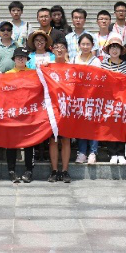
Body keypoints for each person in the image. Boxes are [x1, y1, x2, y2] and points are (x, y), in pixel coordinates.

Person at [6, 48, 35, 183]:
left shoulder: (33, 74)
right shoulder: (7, 74)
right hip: (12, 113)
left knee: (30, 142)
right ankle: (11, 170)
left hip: (28, 113)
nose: (21, 59)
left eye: (23, 57)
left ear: (27, 59)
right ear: (14, 59)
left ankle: (29, 170)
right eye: (18, 57)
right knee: (11, 142)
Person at [72, 33, 102, 165]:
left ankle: (93, 152)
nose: (85, 46)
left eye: (88, 44)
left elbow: (98, 79)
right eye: (83, 44)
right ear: (79, 45)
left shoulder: (96, 61)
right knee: (81, 125)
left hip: (92, 97)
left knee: (93, 125)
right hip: (78, 97)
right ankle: (82, 152)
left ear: (92, 45)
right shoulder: (74, 59)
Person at [102, 36, 126, 164]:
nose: (114, 50)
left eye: (117, 48)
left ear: (121, 50)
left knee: (121, 126)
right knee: (110, 126)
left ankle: (121, 153)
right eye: (112, 47)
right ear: (108, 50)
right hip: (108, 100)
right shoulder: (103, 64)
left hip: (122, 99)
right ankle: (112, 153)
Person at [48, 38, 72, 183]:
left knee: (66, 140)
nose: (59, 49)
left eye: (62, 47)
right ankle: (54, 170)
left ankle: (65, 171)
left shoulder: (72, 67)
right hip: (52, 108)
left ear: (66, 50)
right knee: (53, 140)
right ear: (52, 50)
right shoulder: (47, 67)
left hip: (67, 108)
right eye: (56, 47)